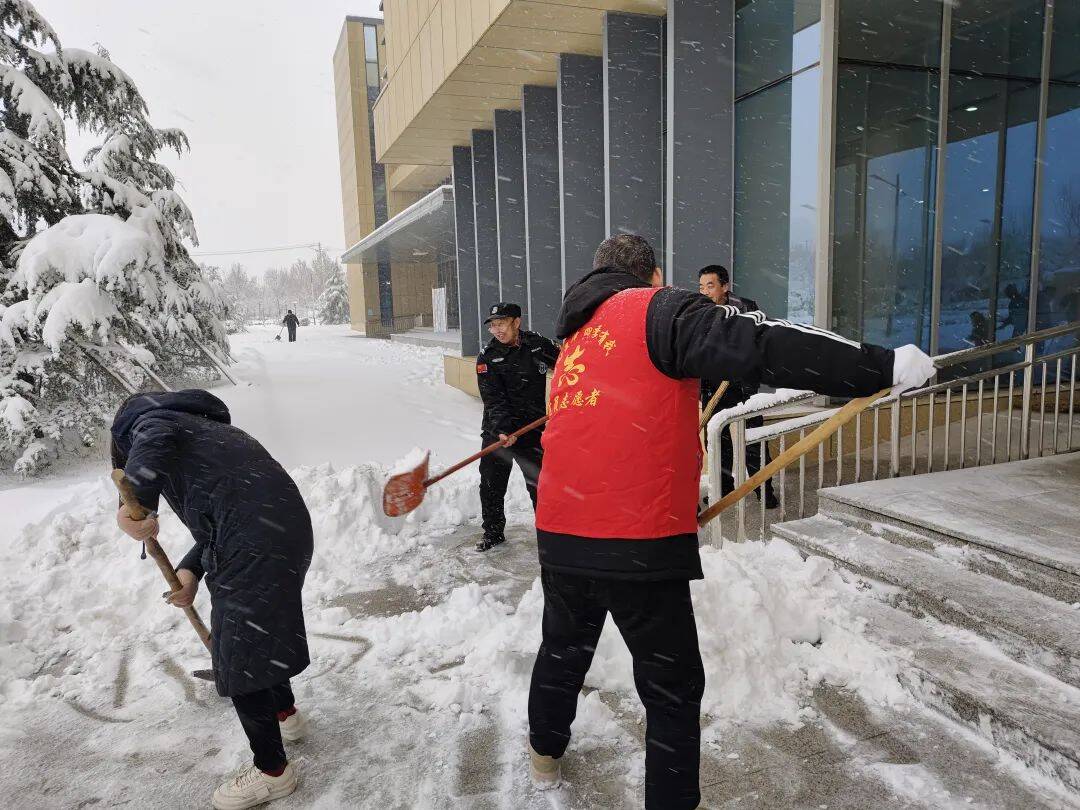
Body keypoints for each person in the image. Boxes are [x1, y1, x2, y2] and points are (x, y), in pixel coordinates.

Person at [526, 234, 934, 808]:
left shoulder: (577, 335)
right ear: (655, 274)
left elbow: (604, 431)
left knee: (563, 647)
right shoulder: (658, 308)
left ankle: (544, 754)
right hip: (635, 543)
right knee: (671, 688)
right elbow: (763, 344)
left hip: (562, 530)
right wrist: (880, 366)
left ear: (597, 275)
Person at [111, 390, 313, 810]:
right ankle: (285, 714)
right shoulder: (207, 430)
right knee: (261, 628)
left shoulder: (152, 424)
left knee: (241, 650)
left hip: (252, 540)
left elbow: (151, 441)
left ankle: (273, 772)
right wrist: (190, 572)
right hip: (279, 529)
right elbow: (218, 521)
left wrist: (135, 508)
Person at [475, 302, 559, 552]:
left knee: (539, 484)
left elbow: (566, 365)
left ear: (517, 322)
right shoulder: (487, 356)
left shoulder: (537, 345)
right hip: (497, 432)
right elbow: (493, 398)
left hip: (531, 430)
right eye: (493, 325)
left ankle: (548, 532)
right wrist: (503, 430)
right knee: (491, 484)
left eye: (501, 323)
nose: (497, 330)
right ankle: (493, 532)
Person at [697, 264, 777, 508]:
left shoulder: (747, 308)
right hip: (713, 385)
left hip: (743, 385)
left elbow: (760, 342)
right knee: (718, 440)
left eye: (710, 286)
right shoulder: (699, 311)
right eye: (701, 286)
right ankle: (722, 489)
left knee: (753, 439)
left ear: (725, 286)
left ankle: (764, 490)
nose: (705, 292)